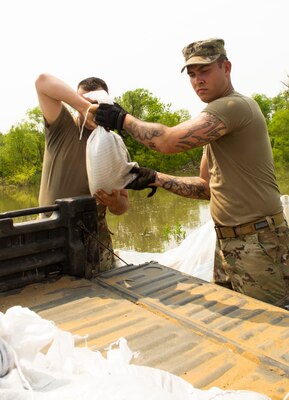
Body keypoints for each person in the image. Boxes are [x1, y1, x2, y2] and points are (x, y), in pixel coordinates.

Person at [92, 38, 289, 307]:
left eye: (205, 71)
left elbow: (167, 141)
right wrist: (155, 178)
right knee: (240, 326)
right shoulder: (217, 128)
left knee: (272, 327)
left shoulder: (233, 107)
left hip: (259, 243)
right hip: (228, 242)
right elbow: (205, 188)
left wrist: (121, 118)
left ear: (226, 67)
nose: (198, 81)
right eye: (192, 75)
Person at [35, 73, 129, 273]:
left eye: (97, 103)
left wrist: (115, 203)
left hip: (96, 238)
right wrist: (84, 107)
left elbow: (123, 206)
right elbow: (42, 82)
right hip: (50, 233)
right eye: (85, 103)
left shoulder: (114, 143)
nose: (92, 109)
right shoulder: (62, 127)